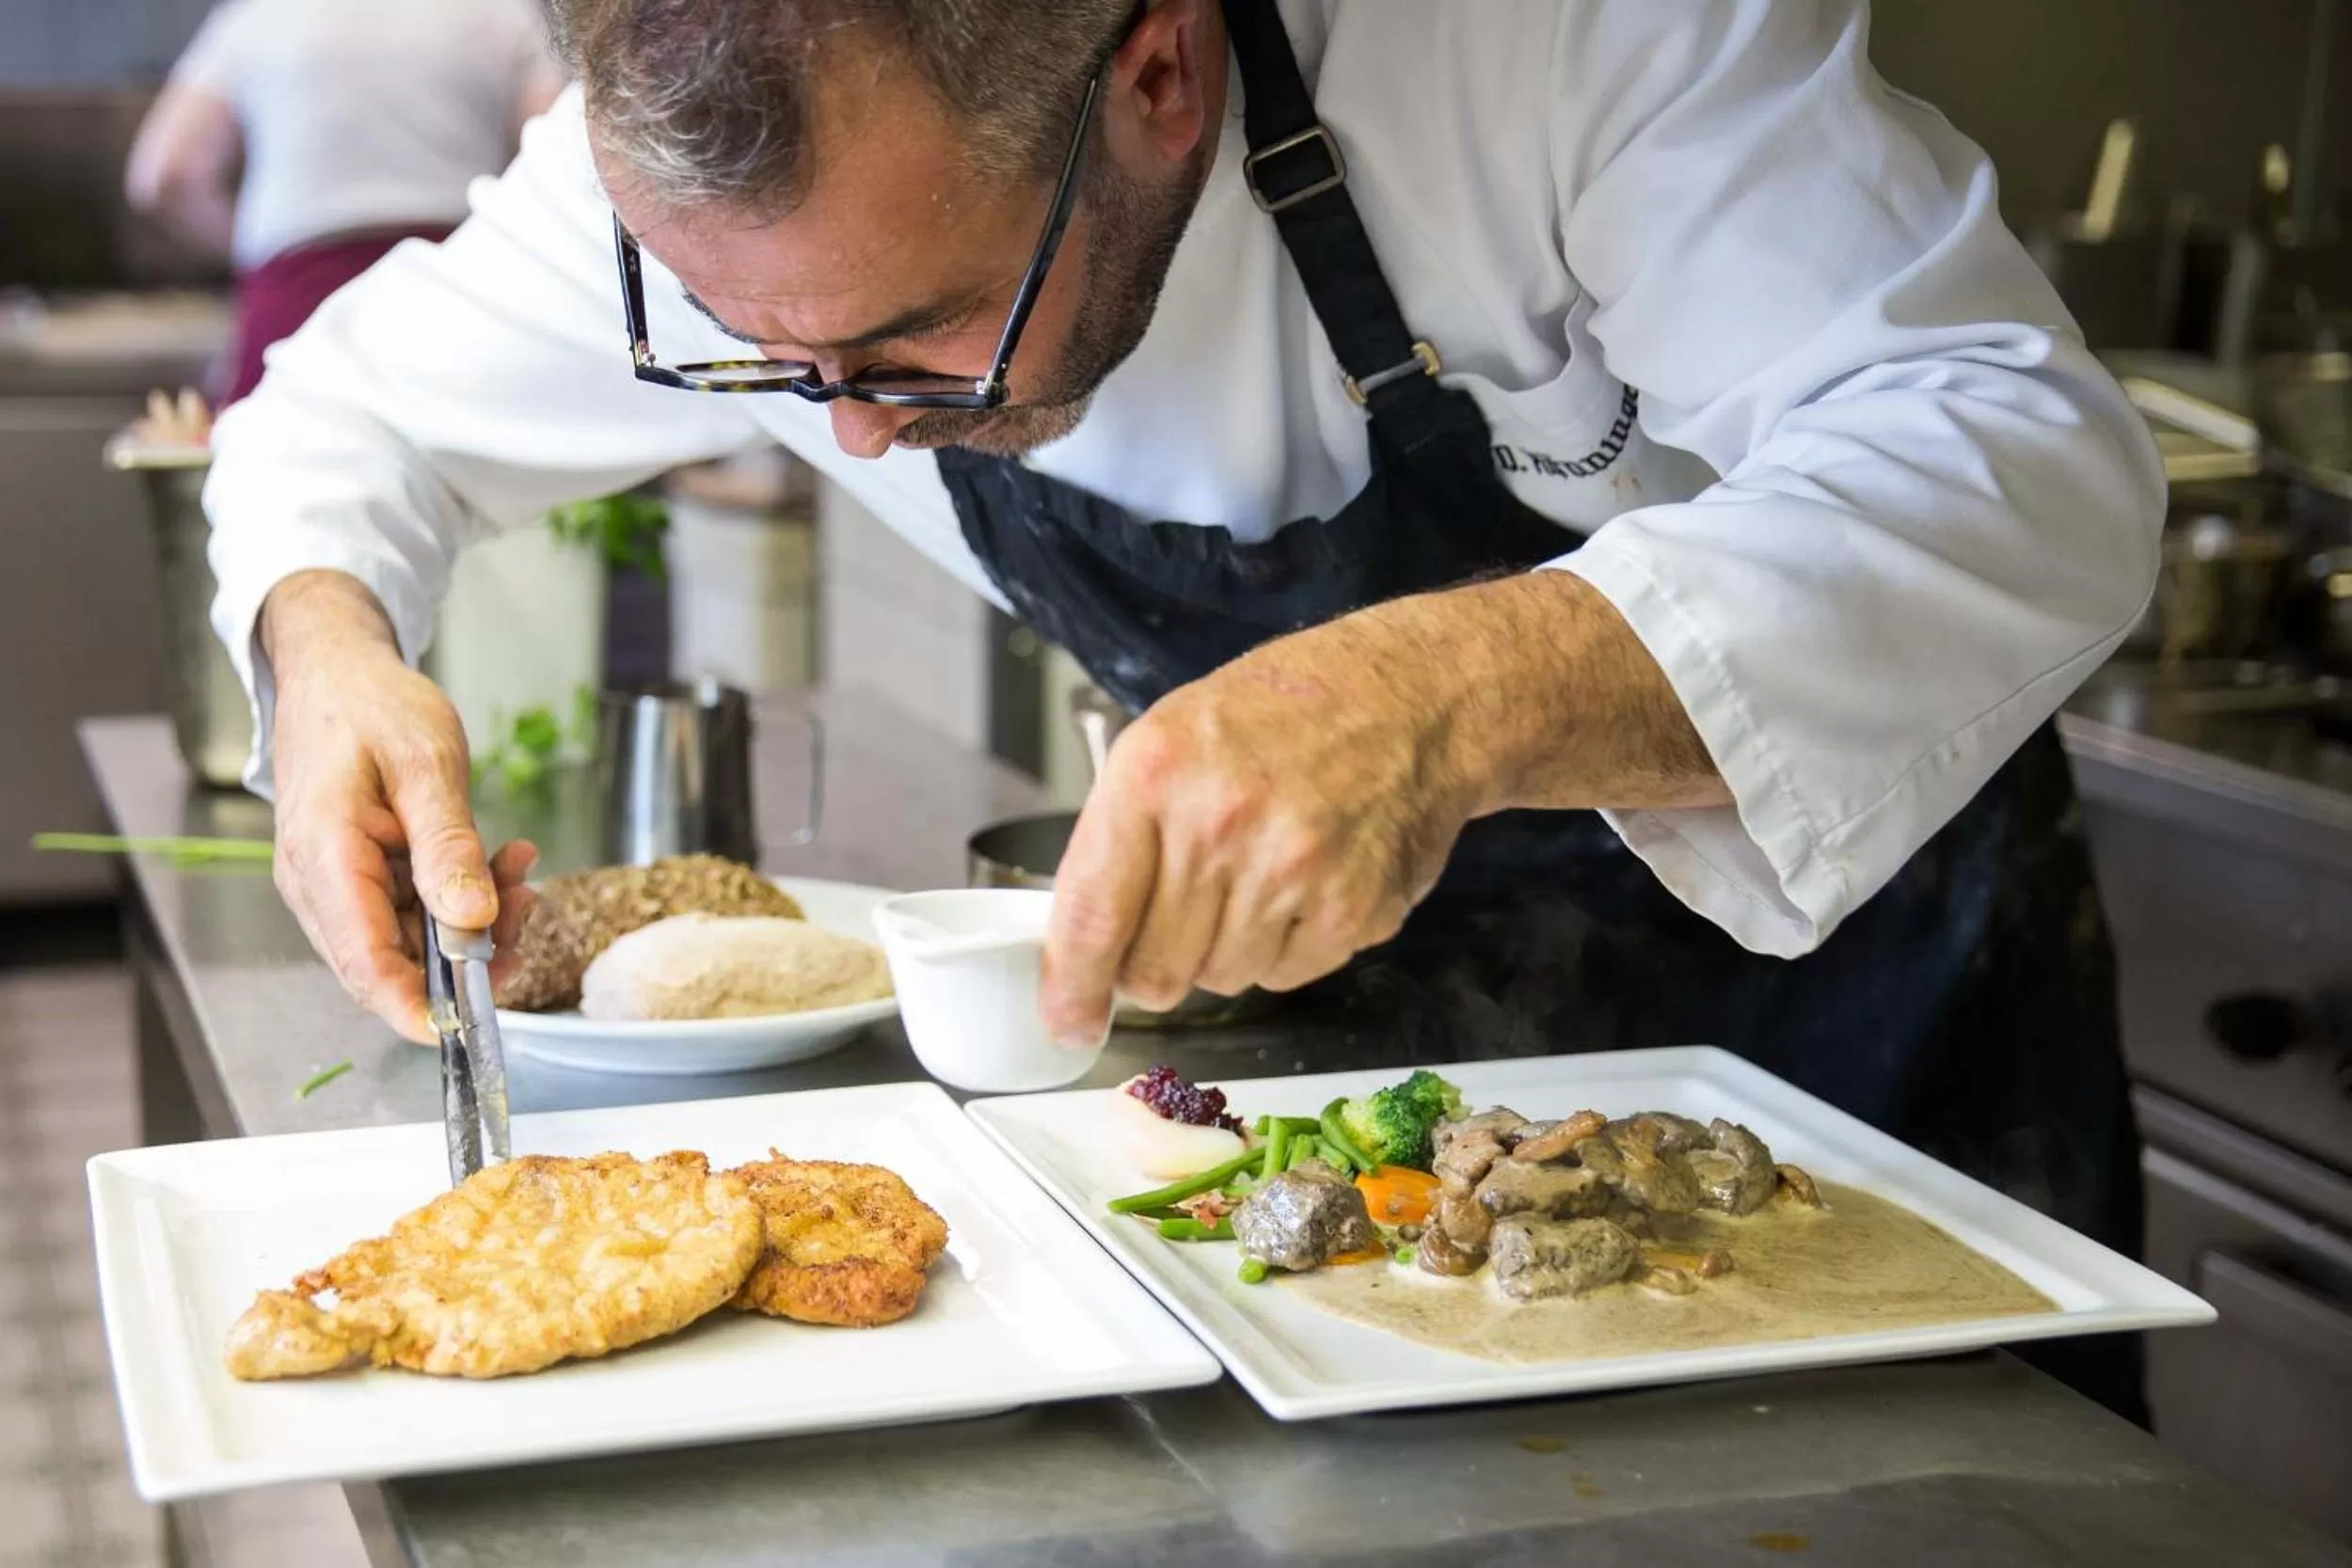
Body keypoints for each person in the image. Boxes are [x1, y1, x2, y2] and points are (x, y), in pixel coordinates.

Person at [204, 1, 2163, 1411]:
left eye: (911, 339)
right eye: (757, 351)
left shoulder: (1560, 39)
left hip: (1854, 1043)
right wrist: (330, 651)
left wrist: (1458, 681)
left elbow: (2021, 455)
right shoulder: (722, 125)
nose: (861, 428)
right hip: (1354, 1135)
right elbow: (337, 418)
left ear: (1154, 73)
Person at [125, 0, 564, 405]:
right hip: (452, 300)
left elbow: (164, 176)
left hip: (293, 302)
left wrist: (254, 253)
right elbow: (560, 163)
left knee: (280, 476)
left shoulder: (261, 13)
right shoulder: (499, 10)